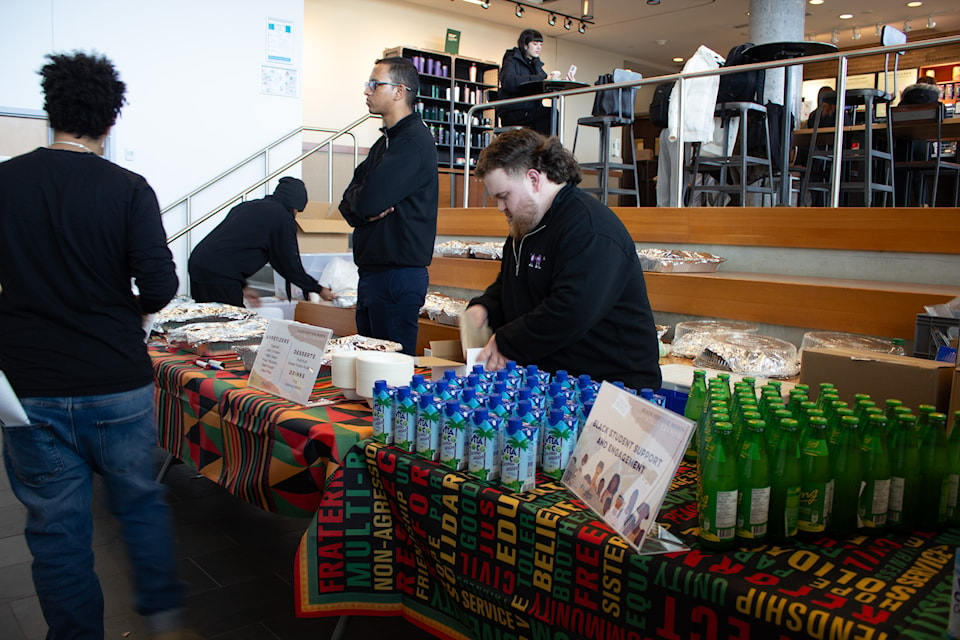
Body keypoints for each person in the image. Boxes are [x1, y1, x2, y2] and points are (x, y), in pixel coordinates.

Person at [0, 52, 200, 639]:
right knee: (139, 501)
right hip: (116, 381)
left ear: (50, 110)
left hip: (29, 389)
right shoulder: (128, 189)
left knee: (56, 532)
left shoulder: (5, 182)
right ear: (110, 122)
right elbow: (162, 286)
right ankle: (164, 618)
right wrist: (128, 309)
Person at [464, 129, 662, 391]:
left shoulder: (590, 228)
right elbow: (510, 285)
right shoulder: (525, 227)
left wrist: (506, 341)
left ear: (534, 179)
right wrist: (485, 307)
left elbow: (570, 311)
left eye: (504, 196)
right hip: (556, 384)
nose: (500, 207)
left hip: (611, 389)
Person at [339, 56, 439, 355]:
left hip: (397, 276)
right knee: (366, 370)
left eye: (375, 84)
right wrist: (363, 207)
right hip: (374, 273)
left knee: (389, 378)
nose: (367, 91)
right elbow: (348, 204)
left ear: (399, 90)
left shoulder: (412, 142)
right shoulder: (385, 143)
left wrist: (364, 205)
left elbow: (367, 201)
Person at [188, 177, 332, 307]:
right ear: (295, 205)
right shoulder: (282, 218)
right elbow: (288, 263)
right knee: (229, 324)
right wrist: (318, 289)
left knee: (206, 321)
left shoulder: (246, 207)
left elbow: (233, 249)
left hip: (199, 263)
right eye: (297, 211)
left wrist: (244, 287)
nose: (296, 215)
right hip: (220, 273)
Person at [497, 29, 572, 136]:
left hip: (529, 109)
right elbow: (509, 82)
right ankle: (548, 149)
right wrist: (536, 79)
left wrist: (562, 83)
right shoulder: (511, 59)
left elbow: (543, 86)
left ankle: (547, 148)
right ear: (525, 45)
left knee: (551, 114)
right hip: (513, 110)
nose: (539, 47)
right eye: (535, 44)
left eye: (541, 45)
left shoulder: (535, 65)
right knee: (549, 114)